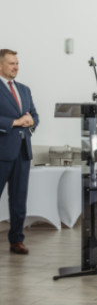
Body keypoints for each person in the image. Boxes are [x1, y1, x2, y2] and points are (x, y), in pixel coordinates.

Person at [0, 49, 39, 254]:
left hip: (23, 152)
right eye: (11, 63)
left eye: (17, 63)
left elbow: (34, 116)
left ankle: (16, 240)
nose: (16, 67)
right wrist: (15, 122)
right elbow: (15, 120)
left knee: (18, 200)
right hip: (2, 152)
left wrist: (31, 122)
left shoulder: (24, 89)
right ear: (0, 65)